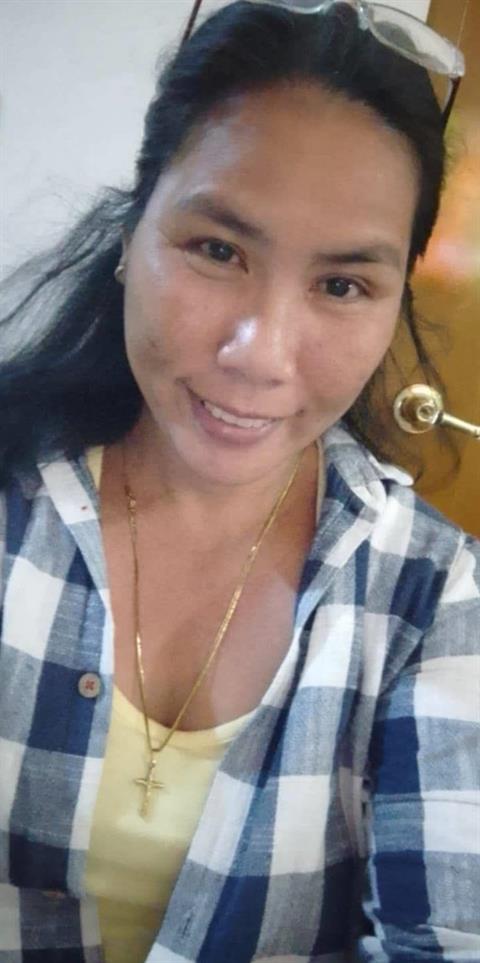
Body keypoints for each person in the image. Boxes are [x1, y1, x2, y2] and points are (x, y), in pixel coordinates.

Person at [0, 1, 478, 961]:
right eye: (218, 250)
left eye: (341, 284)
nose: (260, 356)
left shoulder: (433, 597)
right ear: (132, 232)